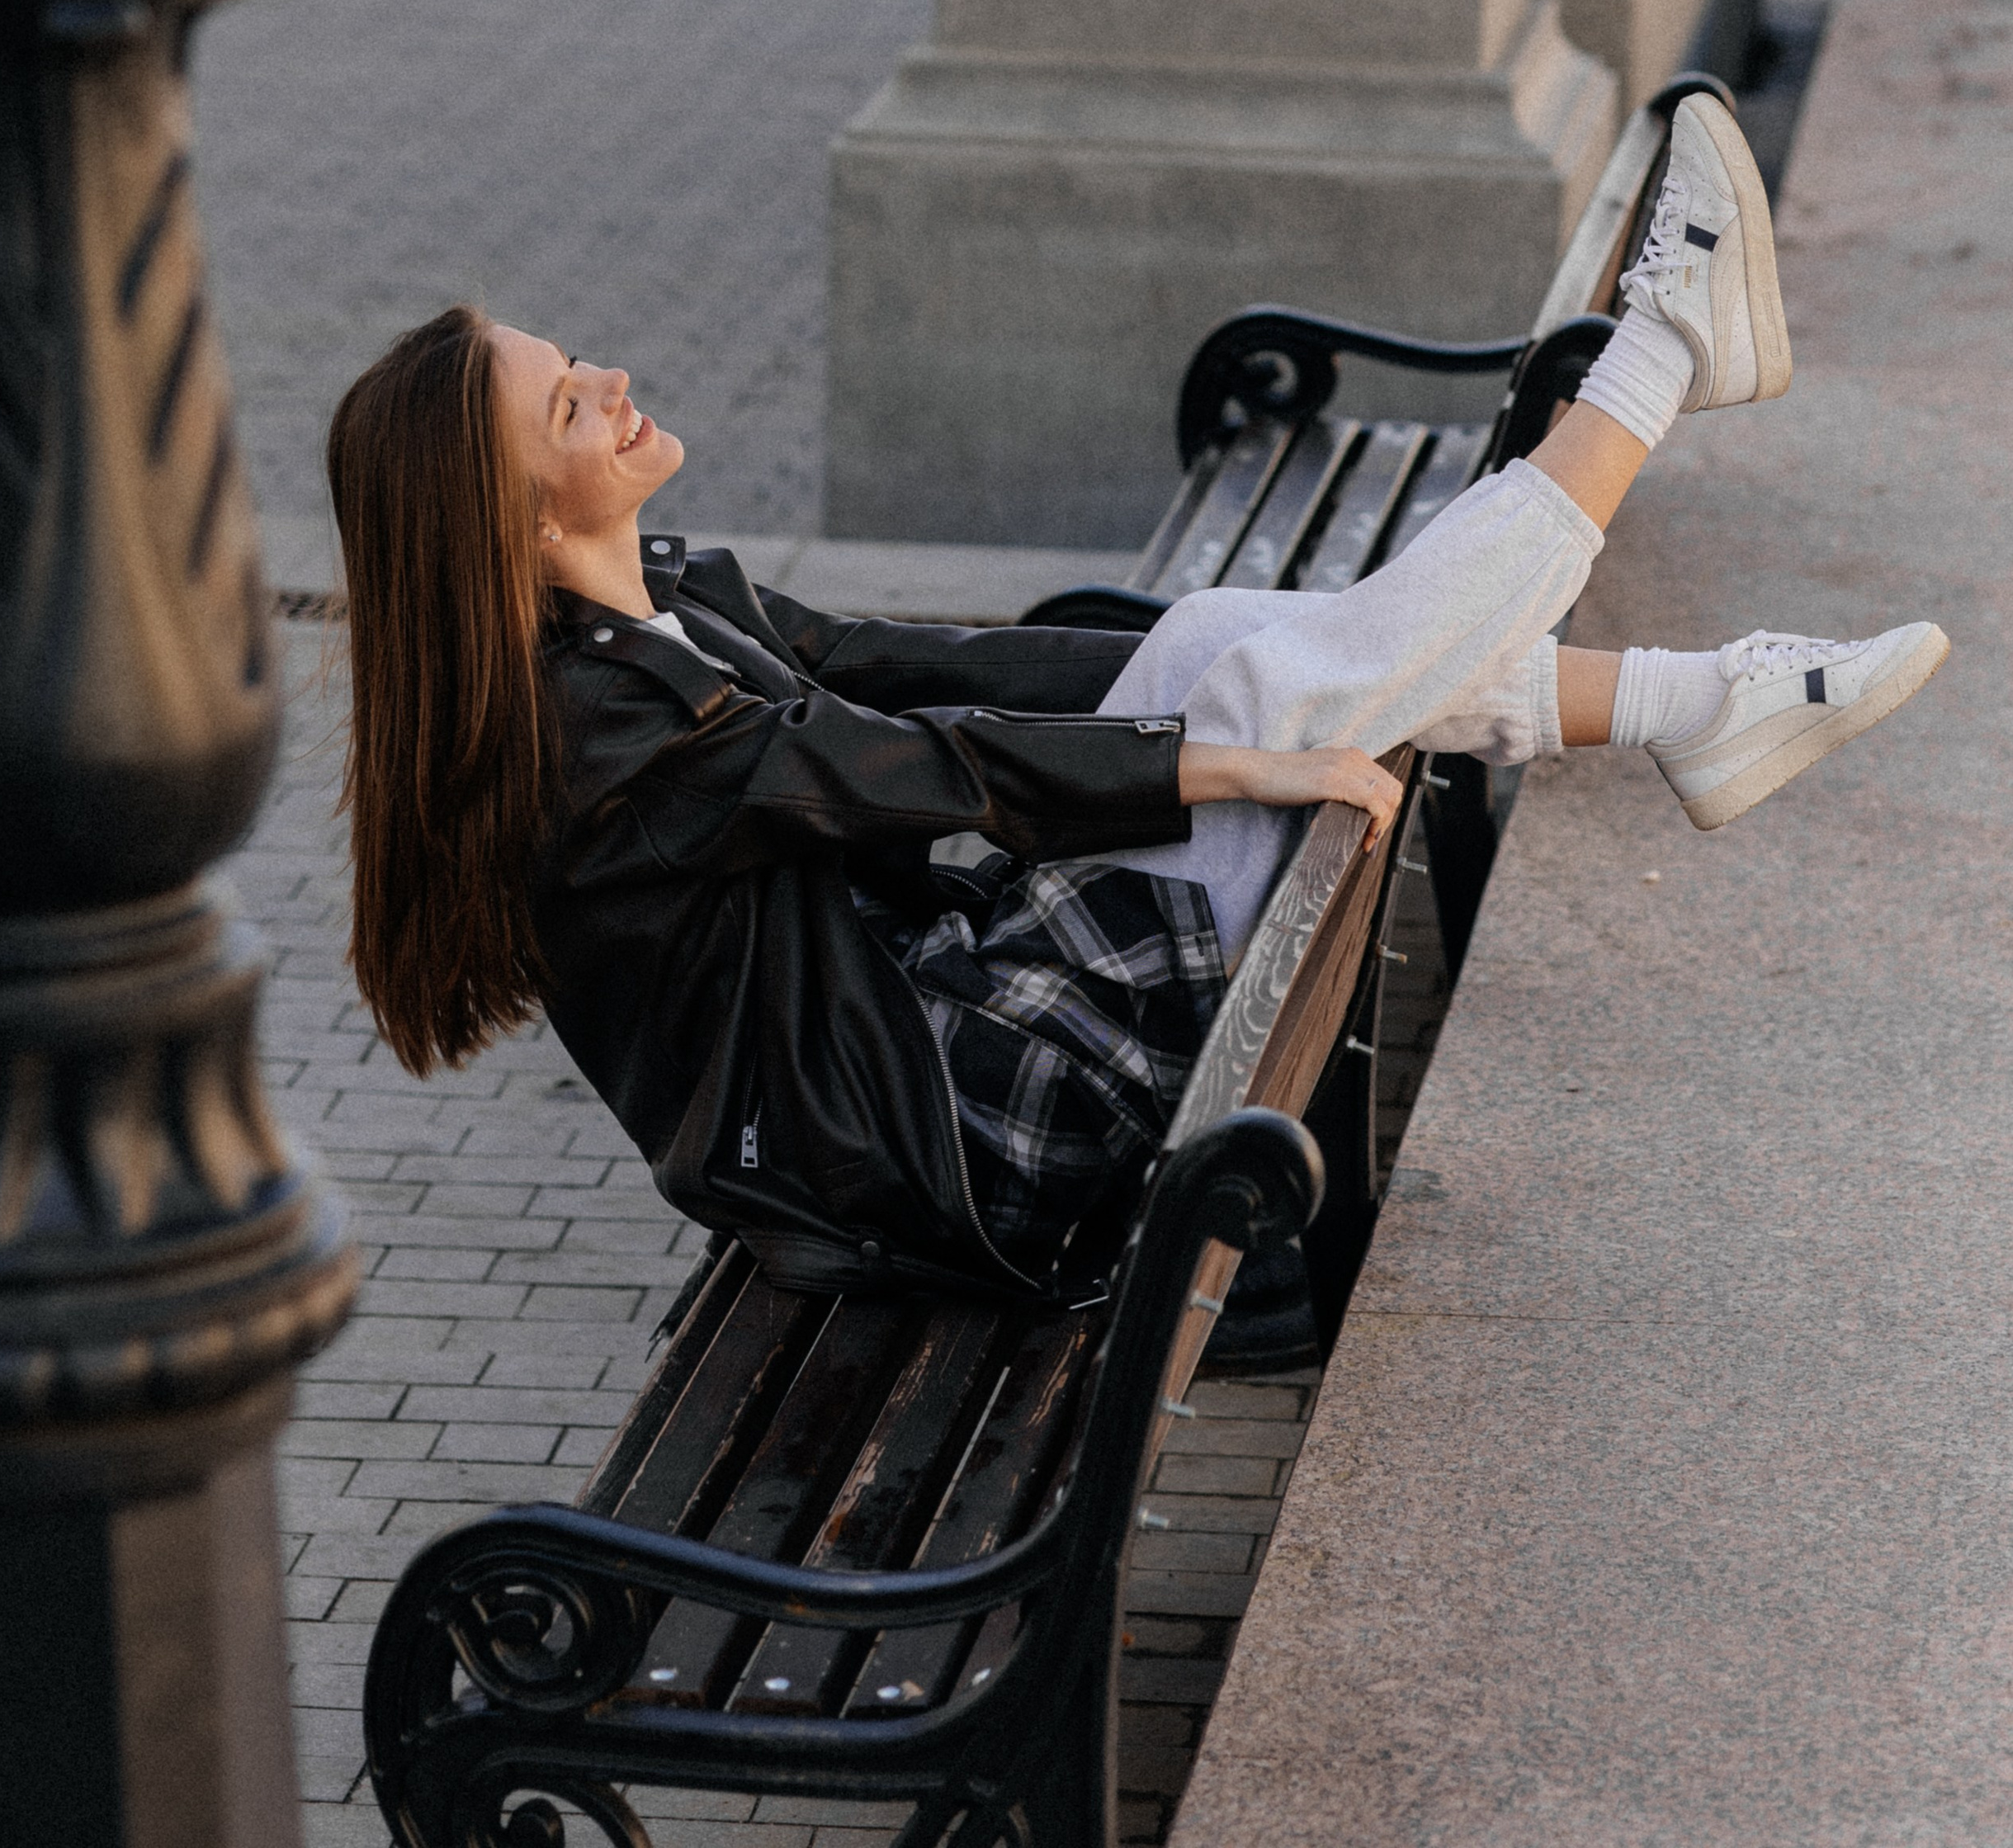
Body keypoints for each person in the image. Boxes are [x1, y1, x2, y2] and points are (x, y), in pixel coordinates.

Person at [327, 97, 1945, 1302]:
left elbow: (915, 669)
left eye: (574, 366)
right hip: (940, 1143)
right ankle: (1655, 364)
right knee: (1254, 685)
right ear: (521, 523)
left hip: (939, 1034)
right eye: (566, 403)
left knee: (1237, 651)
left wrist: (1194, 682)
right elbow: (905, 770)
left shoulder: (662, 599)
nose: (607, 384)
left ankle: (1693, 699)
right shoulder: (593, 738)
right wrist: (1220, 755)